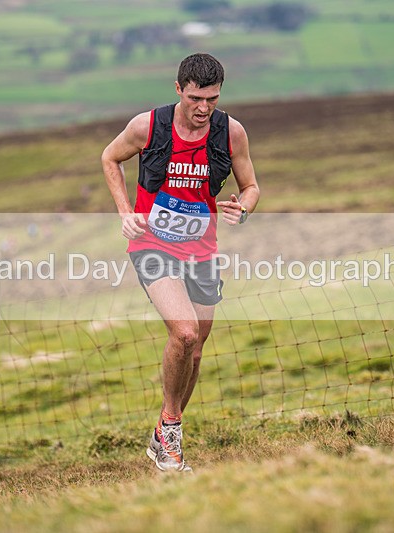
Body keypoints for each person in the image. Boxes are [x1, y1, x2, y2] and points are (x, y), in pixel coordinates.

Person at [101, 53, 260, 472]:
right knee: (185, 332)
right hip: (152, 246)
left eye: (212, 98)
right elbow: (109, 158)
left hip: (202, 251)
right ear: (178, 90)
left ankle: (163, 432)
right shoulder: (147, 127)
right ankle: (171, 435)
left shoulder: (231, 133)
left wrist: (243, 208)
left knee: (195, 350)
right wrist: (125, 212)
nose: (203, 108)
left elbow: (252, 186)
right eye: (195, 98)